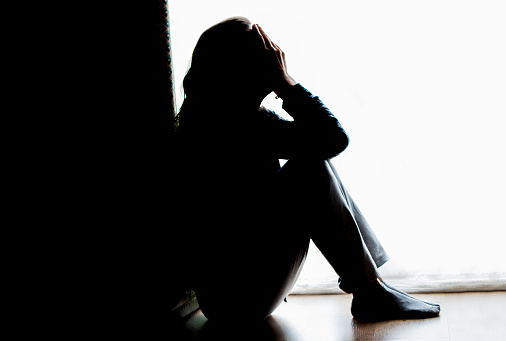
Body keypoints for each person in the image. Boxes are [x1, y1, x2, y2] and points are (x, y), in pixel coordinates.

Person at [175, 16, 440, 322]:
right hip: (236, 300)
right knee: (310, 167)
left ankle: (371, 287)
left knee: (312, 157)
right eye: (264, 52)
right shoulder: (226, 126)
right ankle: (370, 290)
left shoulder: (227, 118)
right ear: (239, 67)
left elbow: (326, 140)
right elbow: (333, 137)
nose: (274, 57)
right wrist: (286, 83)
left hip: (233, 296)